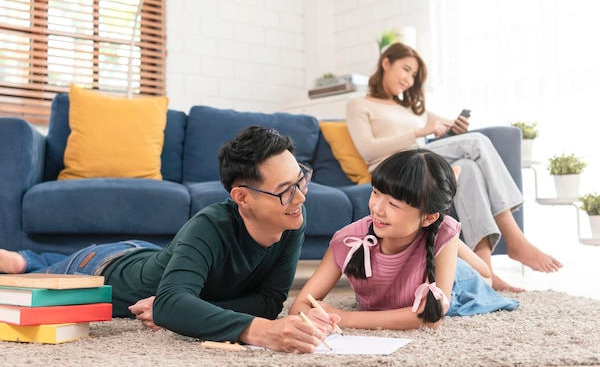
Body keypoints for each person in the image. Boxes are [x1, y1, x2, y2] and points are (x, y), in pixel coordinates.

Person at [0, 126, 338, 353]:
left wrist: (179, 310)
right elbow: (175, 303)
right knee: (22, 275)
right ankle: (25, 260)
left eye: (301, 181)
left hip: (149, 255)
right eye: (285, 191)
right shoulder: (211, 225)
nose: (300, 198)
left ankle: (29, 258)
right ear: (242, 198)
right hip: (101, 267)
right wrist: (260, 331)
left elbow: (268, 302)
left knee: (33, 262)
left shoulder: (292, 216)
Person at [345, 42, 562, 292]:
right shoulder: (359, 105)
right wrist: (420, 131)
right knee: (477, 143)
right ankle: (515, 239)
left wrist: (452, 128)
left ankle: (485, 269)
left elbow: (443, 125)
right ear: (386, 63)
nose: (409, 78)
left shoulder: (411, 108)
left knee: (467, 167)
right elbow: (368, 149)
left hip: (419, 163)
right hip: (393, 168)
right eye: (405, 69)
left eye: (413, 75)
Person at [289, 149, 519, 330]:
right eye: (376, 193)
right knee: (444, 234)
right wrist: (309, 315)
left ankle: (450, 237)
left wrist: (347, 318)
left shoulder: (436, 233)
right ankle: (447, 232)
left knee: (485, 276)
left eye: (393, 204)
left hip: (455, 280)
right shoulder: (348, 240)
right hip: (427, 234)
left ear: (427, 217)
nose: (377, 209)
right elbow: (301, 304)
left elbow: (430, 317)